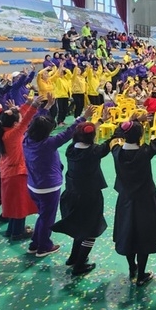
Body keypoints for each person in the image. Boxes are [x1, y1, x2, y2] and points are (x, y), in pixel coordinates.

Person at [111, 113, 156, 286]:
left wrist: (131, 121)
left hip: (125, 200)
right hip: (146, 200)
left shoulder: (116, 151)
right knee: (144, 236)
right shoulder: (145, 151)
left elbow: (116, 135)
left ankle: (132, 267)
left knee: (127, 233)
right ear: (141, 137)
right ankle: (141, 274)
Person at [22, 101, 92, 258]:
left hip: (33, 185)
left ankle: (35, 244)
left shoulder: (26, 139)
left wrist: (43, 109)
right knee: (47, 218)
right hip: (48, 187)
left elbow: (34, 123)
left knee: (42, 215)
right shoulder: (48, 144)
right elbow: (68, 132)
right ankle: (43, 247)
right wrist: (83, 117)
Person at [51, 118, 112, 275]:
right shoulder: (95, 152)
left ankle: (73, 257)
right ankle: (79, 265)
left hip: (71, 195)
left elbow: (85, 135)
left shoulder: (71, 150)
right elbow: (108, 144)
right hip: (89, 197)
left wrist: (97, 122)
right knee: (91, 229)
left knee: (79, 226)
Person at [0, 95, 47, 240]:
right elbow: (25, 121)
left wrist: (23, 106)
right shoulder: (12, 134)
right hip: (16, 174)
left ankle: (12, 230)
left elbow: (19, 119)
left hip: (9, 172)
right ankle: (18, 233)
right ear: (14, 123)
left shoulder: (4, 130)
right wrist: (34, 106)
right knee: (20, 204)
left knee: (13, 204)